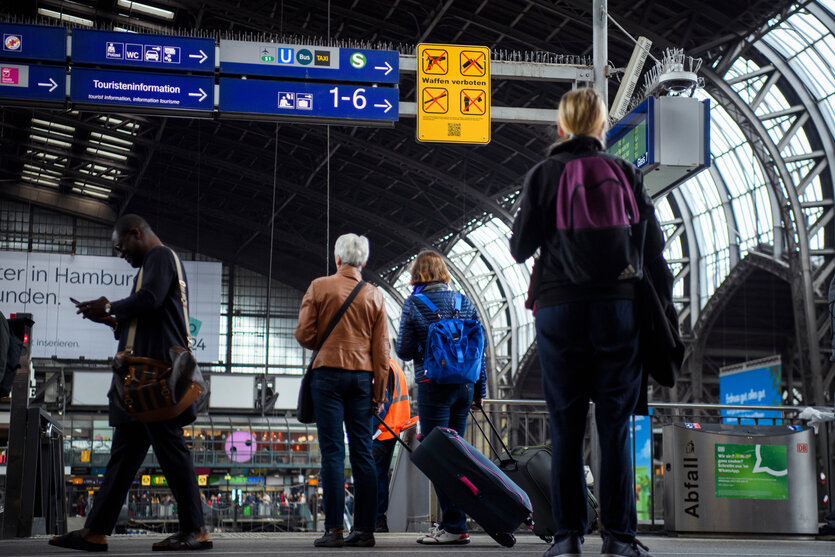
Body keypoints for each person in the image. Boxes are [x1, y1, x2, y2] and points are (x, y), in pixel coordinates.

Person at [509, 88, 666, 557]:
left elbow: (519, 248)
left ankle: (568, 536)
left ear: (561, 128)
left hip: (559, 308)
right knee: (614, 425)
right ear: (601, 128)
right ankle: (618, 537)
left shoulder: (544, 174)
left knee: (566, 425)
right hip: (617, 307)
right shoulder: (624, 172)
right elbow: (652, 246)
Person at [49, 214, 211, 552]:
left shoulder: (159, 257)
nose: (123, 256)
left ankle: (195, 529)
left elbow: (150, 298)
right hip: (141, 381)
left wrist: (109, 304)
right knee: (124, 456)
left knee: (172, 452)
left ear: (136, 233)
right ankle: (94, 530)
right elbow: (151, 314)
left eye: (122, 248)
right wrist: (113, 319)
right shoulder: (152, 264)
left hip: (153, 381)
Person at [295, 233, 389, 548]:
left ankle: (334, 529)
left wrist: (327, 336)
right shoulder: (375, 295)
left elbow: (304, 335)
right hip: (363, 380)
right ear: (363, 261)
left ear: (337, 259)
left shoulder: (319, 287)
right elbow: (382, 353)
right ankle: (364, 530)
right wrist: (379, 394)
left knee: (333, 452)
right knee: (362, 452)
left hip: (327, 376)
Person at [395, 250, 487, 545]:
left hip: (433, 386)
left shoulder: (414, 304)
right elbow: (478, 351)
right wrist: (479, 392)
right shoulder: (464, 301)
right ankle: (453, 522)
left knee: (440, 456)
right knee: (455, 455)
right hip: (464, 388)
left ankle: (453, 525)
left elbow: (405, 350)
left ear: (417, 275)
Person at [372, 358, 418, 532]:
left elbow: (380, 404)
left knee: (374, 476)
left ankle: (376, 520)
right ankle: (377, 520)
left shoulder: (381, 366)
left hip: (381, 431)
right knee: (379, 475)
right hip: (390, 429)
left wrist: (368, 433)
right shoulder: (392, 365)